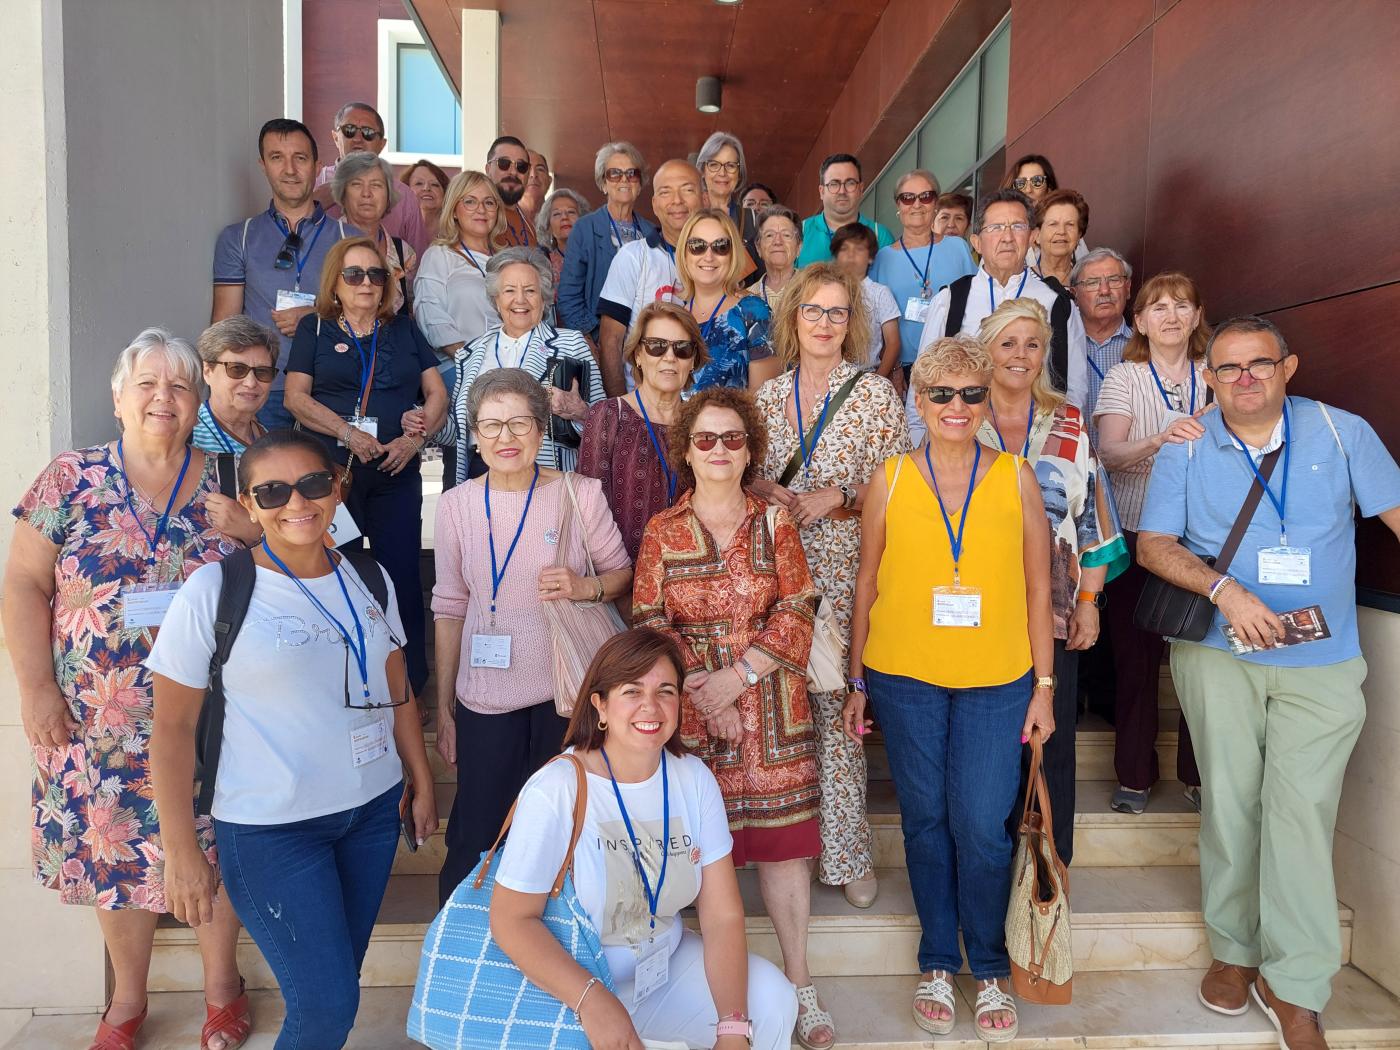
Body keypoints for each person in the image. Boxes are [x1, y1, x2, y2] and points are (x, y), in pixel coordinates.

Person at [1137, 316, 1400, 1050]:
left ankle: (1297, 984)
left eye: (1259, 364)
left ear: (1289, 367)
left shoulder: (1342, 433)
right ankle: (1234, 949)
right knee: (1230, 805)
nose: (1245, 379)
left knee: (1302, 814)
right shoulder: (1188, 445)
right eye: (1228, 368)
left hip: (1323, 662)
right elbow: (1154, 545)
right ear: (1210, 377)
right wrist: (1226, 592)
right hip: (1218, 658)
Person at [147, 429, 438, 1050]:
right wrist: (180, 851)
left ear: (338, 487)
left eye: (312, 484)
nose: (297, 502)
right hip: (271, 829)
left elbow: (397, 687)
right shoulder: (214, 591)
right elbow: (170, 729)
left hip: (370, 814)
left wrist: (421, 779)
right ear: (248, 505)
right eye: (272, 491)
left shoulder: (370, 577)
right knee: (328, 1007)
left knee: (335, 988)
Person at [5, 329, 251, 1050]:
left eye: (179, 386)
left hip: (218, 719)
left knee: (217, 847)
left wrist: (253, 532)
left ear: (198, 400)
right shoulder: (69, 478)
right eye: (146, 384)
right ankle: (128, 1002)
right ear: (118, 399)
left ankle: (222, 988)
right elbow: (23, 584)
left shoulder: (234, 477)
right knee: (112, 854)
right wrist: (36, 689)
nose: (162, 399)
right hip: (95, 721)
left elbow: (307, 558)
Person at [844, 334, 1055, 1043]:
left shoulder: (1018, 477)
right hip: (904, 677)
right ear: (920, 399)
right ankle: (938, 959)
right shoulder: (891, 478)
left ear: (987, 399)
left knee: (981, 825)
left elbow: (1038, 588)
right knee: (926, 821)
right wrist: (855, 679)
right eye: (941, 393)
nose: (957, 406)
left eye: (971, 393)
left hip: (998, 679)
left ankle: (988, 966)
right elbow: (867, 583)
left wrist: (1045, 687)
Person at [634, 387, 833, 1050]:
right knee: (696, 853)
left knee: (784, 852)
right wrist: (702, 691)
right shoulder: (662, 530)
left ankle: (800, 982)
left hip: (774, 707)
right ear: (687, 451)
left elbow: (799, 606)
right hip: (692, 717)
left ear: (749, 451)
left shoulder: (774, 523)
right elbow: (649, 619)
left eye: (732, 438)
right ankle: (718, 990)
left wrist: (736, 678)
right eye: (705, 439)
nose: (719, 449)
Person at [491, 628, 798, 1050]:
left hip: (662, 970)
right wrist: (591, 1001)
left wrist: (732, 1027)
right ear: (600, 705)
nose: (650, 706)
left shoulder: (692, 778)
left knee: (772, 999)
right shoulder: (557, 788)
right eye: (632, 691)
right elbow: (511, 920)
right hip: (573, 986)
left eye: (665, 691)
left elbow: (721, 915)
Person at [432, 367, 632, 903]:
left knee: (565, 829)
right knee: (477, 834)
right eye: (491, 425)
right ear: (474, 435)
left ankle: (559, 937)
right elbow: (450, 607)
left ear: (541, 431)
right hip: (484, 696)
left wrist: (584, 586)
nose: (506, 437)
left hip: (564, 694)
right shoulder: (455, 505)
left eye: (520, 423)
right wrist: (446, 708)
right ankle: (466, 935)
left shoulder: (579, 493)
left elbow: (621, 575)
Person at [752, 263, 909, 911]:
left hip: (846, 569)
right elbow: (741, 471)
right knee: (778, 713)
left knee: (838, 710)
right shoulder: (767, 396)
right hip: (775, 570)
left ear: (853, 323)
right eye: (812, 310)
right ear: (793, 317)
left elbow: (900, 483)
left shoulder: (874, 395)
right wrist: (765, 487)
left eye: (837, 312)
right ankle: (784, 849)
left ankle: (847, 854)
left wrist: (839, 494)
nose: (824, 323)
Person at [974, 299, 1128, 865]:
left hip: (1056, 609)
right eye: (1008, 343)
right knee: (989, 750)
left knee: (1051, 744)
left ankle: (1047, 875)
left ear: (1045, 354)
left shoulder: (1069, 422)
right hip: (976, 609)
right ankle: (993, 872)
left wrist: (1090, 601)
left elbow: (1092, 522)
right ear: (986, 350)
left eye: (1032, 344)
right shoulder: (963, 415)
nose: (1020, 355)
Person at [284, 236, 448, 696]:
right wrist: (347, 433)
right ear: (335, 283)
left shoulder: (403, 329)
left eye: (376, 274)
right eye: (354, 274)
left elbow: (437, 393)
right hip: (335, 477)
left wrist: (414, 441)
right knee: (337, 571)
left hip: (396, 471)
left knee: (402, 577)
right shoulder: (315, 329)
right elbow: (296, 398)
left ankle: (410, 685)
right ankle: (344, 681)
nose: (366, 283)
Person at [1093, 271, 1208, 814]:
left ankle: (1198, 775)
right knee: (1136, 661)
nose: (1171, 315)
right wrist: (1164, 438)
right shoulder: (1125, 376)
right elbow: (1109, 454)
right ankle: (1135, 776)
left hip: (1202, 537)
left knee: (1200, 660)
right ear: (1138, 321)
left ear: (1197, 316)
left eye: (1182, 305)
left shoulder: (1217, 373)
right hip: (1138, 532)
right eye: (1158, 307)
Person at [212, 117, 355, 430]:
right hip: (263, 389)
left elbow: (372, 315)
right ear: (263, 165)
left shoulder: (350, 238)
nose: (290, 170)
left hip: (334, 388)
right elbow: (225, 326)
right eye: (277, 157)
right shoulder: (239, 238)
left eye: (300, 158)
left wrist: (318, 314)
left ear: (317, 166)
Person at [421, 246, 603, 482]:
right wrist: (425, 420)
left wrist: (580, 412)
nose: (520, 300)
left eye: (530, 290)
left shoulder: (571, 343)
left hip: (545, 474)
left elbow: (605, 425)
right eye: (509, 290)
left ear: (544, 298)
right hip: (482, 472)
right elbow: (459, 432)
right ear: (496, 299)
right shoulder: (471, 353)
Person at [913, 188, 1088, 409]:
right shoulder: (950, 300)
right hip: (963, 425)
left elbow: (1075, 388)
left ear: (1032, 237)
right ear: (976, 242)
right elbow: (922, 381)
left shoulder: (1056, 302)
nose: (1007, 237)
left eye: (1017, 226)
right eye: (995, 227)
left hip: (1036, 427)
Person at [578, 302, 711, 561]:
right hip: (621, 570)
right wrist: (620, 579)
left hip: (689, 571)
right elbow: (588, 511)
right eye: (657, 346)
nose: (669, 357)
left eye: (682, 348)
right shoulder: (608, 415)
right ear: (638, 354)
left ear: (693, 360)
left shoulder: (703, 424)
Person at [413, 170, 506, 484]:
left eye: (489, 202)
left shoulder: (508, 261)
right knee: (469, 472)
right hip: (460, 372)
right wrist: (474, 361)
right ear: (454, 209)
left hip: (510, 374)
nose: (481, 209)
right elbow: (429, 313)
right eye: (470, 201)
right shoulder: (440, 255)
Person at [596, 159, 704, 395]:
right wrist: (622, 407)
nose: (677, 200)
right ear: (654, 204)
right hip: (644, 402)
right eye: (666, 192)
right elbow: (611, 340)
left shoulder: (718, 258)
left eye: (687, 190)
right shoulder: (632, 257)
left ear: (704, 198)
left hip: (704, 403)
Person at [870, 170, 977, 388]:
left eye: (925, 196)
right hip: (903, 369)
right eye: (908, 198)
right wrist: (893, 368)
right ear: (898, 205)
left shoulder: (958, 248)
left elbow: (975, 303)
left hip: (955, 364)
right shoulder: (883, 258)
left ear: (935, 203)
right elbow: (875, 323)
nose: (917, 204)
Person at [556, 141, 656, 344]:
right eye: (615, 174)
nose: (624, 179)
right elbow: (568, 296)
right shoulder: (585, 228)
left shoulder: (651, 232)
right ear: (603, 183)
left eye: (632, 173)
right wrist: (592, 338)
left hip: (645, 343)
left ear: (640, 183)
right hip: (599, 340)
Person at [674, 208, 778, 391]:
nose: (708, 256)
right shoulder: (673, 319)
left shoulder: (753, 313)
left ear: (732, 255)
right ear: (684, 254)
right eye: (697, 246)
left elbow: (764, 401)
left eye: (720, 246)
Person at [314, 102, 430, 255]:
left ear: (382, 144)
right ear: (335, 137)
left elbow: (419, 259)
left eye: (367, 132)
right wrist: (315, 203)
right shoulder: (314, 183)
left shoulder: (404, 195)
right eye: (349, 130)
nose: (358, 139)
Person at [332, 151, 417, 314]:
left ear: (388, 196)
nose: (367, 193)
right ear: (342, 194)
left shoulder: (404, 253)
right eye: (356, 184)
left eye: (376, 185)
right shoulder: (323, 243)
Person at [191, 316, 277, 468]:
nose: (251, 383)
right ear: (207, 371)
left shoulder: (268, 438)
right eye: (237, 369)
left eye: (262, 371)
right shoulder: (189, 435)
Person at [1071, 247, 1134, 429]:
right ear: (1075, 294)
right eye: (1092, 283)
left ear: (1128, 288)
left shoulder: (1145, 347)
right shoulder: (1061, 347)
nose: (1105, 290)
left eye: (1114, 280)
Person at [795, 153, 894, 268]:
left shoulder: (880, 236)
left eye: (850, 183)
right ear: (822, 191)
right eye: (834, 184)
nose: (842, 191)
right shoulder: (799, 232)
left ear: (861, 189)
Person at [832, 223, 903, 378]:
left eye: (858, 249)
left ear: (870, 257)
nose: (851, 255)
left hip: (867, 375)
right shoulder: (825, 291)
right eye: (844, 248)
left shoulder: (880, 293)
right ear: (836, 256)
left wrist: (877, 379)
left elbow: (893, 343)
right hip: (829, 376)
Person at [535, 187, 590, 302]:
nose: (565, 217)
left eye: (571, 212)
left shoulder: (596, 257)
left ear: (584, 220)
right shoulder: (541, 264)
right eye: (556, 214)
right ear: (548, 227)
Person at [486, 135, 537, 248]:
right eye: (504, 163)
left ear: (528, 173)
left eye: (521, 166)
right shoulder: (478, 216)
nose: (513, 172)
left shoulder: (529, 225)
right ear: (488, 169)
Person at [1031, 189, 1089, 288]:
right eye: (1053, 224)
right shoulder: (1021, 282)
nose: (1062, 231)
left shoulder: (1088, 282)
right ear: (1037, 235)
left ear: (1079, 235)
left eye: (1070, 224)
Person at [753, 205, 802, 311]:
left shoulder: (813, 289)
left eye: (786, 235)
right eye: (769, 235)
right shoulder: (747, 296)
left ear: (799, 247)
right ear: (758, 248)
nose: (778, 241)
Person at [697, 131, 747, 219]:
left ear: (739, 173)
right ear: (702, 171)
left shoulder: (752, 219)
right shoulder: (687, 215)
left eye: (730, 165)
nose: (722, 173)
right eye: (714, 165)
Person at [400, 158, 449, 235]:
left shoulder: (458, 235)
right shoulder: (392, 231)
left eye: (434, 184)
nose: (426, 188)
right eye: (419, 183)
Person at [522, 148, 551, 218]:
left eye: (540, 169)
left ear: (549, 181)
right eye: (527, 169)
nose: (533, 175)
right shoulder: (500, 218)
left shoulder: (561, 218)